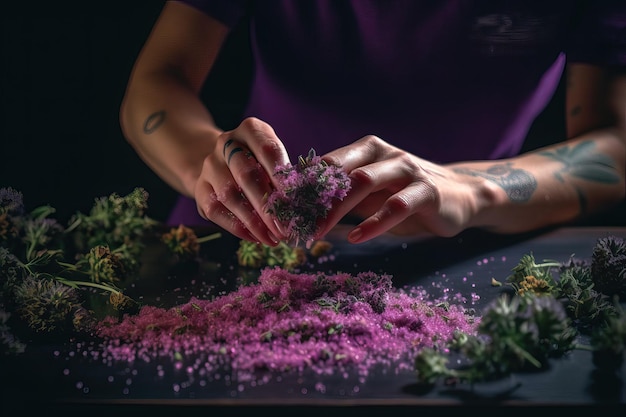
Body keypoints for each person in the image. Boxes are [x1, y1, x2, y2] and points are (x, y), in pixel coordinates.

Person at [120, 0, 626, 247]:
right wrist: (208, 165)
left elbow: (613, 144)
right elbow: (157, 80)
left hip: (449, 248)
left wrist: (470, 190)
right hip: (235, 240)